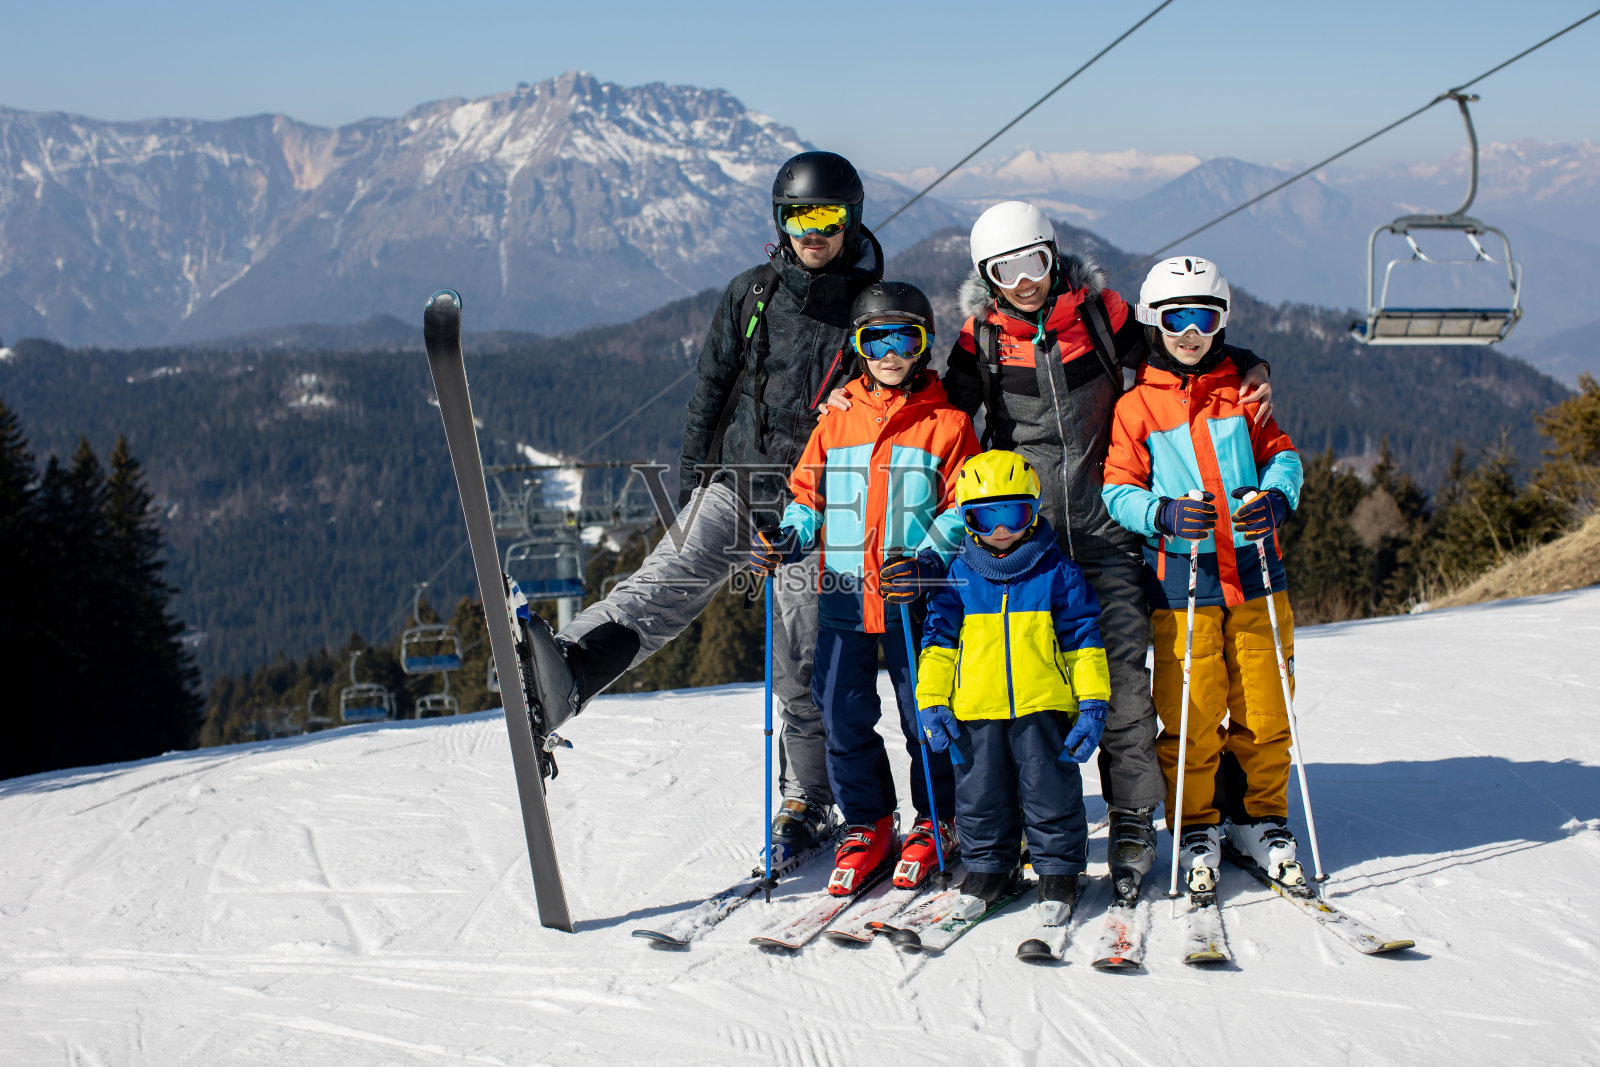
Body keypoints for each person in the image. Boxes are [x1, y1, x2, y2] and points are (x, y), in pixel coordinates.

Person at [520, 151, 885, 854]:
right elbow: (710, 392)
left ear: (851, 219)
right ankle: (571, 671)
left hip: (820, 507)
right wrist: (695, 486)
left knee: (800, 662)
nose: (813, 232)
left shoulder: (870, 309)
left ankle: (810, 797)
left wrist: (861, 396)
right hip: (737, 483)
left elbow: (906, 384)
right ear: (781, 221)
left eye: (827, 218)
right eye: (798, 216)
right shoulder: (753, 295)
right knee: (662, 584)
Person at [938, 201, 1274, 900]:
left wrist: (1249, 364)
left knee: (1119, 678)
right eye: (1006, 271)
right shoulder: (981, 340)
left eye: (1034, 262)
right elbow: (939, 412)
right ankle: (1028, 820)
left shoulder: (1104, 316)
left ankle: (1129, 815)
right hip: (1018, 542)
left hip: (1104, 533)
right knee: (1020, 684)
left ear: (1054, 254)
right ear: (987, 276)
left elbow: (1178, 359)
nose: (1025, 282)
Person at [750, 281, 978, 894]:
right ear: (858, 345)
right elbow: (809, 496)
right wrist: (791, 537)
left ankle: (938, 819)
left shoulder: (947, 423)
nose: (890, 352)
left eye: (906, 338)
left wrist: (929, 559)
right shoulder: (838, 420)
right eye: (875, 338)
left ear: (924, 345)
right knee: (840, 713)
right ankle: (869, 822)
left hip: (915, 598)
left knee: (922, 713)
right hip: (845, 593)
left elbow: (963, 507)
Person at [1100, 255, 1305, 893]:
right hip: (1182, 581)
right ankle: (1196, 822)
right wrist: (1161, 513)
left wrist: (1279, 495)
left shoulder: (1243, 395)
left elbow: (1284, 457)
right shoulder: (1136, 408)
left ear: (1222, 322)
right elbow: (1118, 490)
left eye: (1204, 317)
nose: (1191, 333)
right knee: (1191, 712)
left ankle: (1262, 816)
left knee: (1266, 711)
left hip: (1256, 574)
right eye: (1176, 319)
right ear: (1153, 323)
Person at [914, 449, 1112, 908]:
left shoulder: (1057, 572)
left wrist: (1093, 704)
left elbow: (1084, 642)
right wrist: (933, 701)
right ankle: (988, 868)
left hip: (1041, 705)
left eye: (1013, 513)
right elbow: (938, 645)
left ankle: (1059, 869)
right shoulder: (958, 576)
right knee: (980, 793)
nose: (1001, 529)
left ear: (1034, 509)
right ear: (967, 520)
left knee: (1050, 788)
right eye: (985, 517)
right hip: (975, 708)